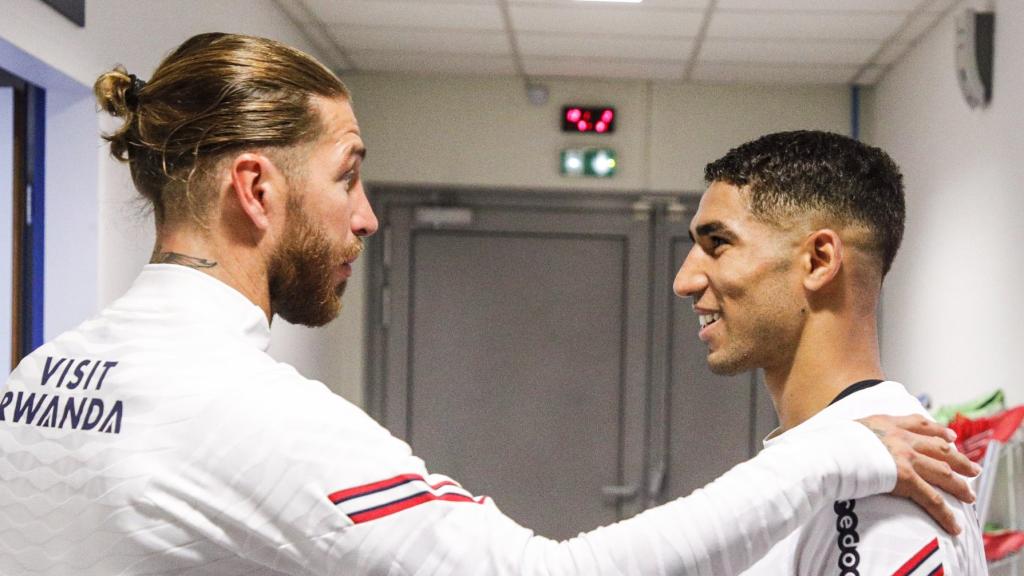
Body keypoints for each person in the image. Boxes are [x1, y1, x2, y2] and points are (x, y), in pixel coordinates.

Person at [0, 33, 977, 576]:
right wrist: (836, 452)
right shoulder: (242, 412)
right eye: (348, 178)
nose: (367, 218)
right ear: (256, 191)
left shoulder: (39, 378)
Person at [674, 131, 987, 575]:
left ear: (819, 260)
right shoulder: (840, 459)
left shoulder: (881, 492)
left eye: (717, 244)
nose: (684, 280)